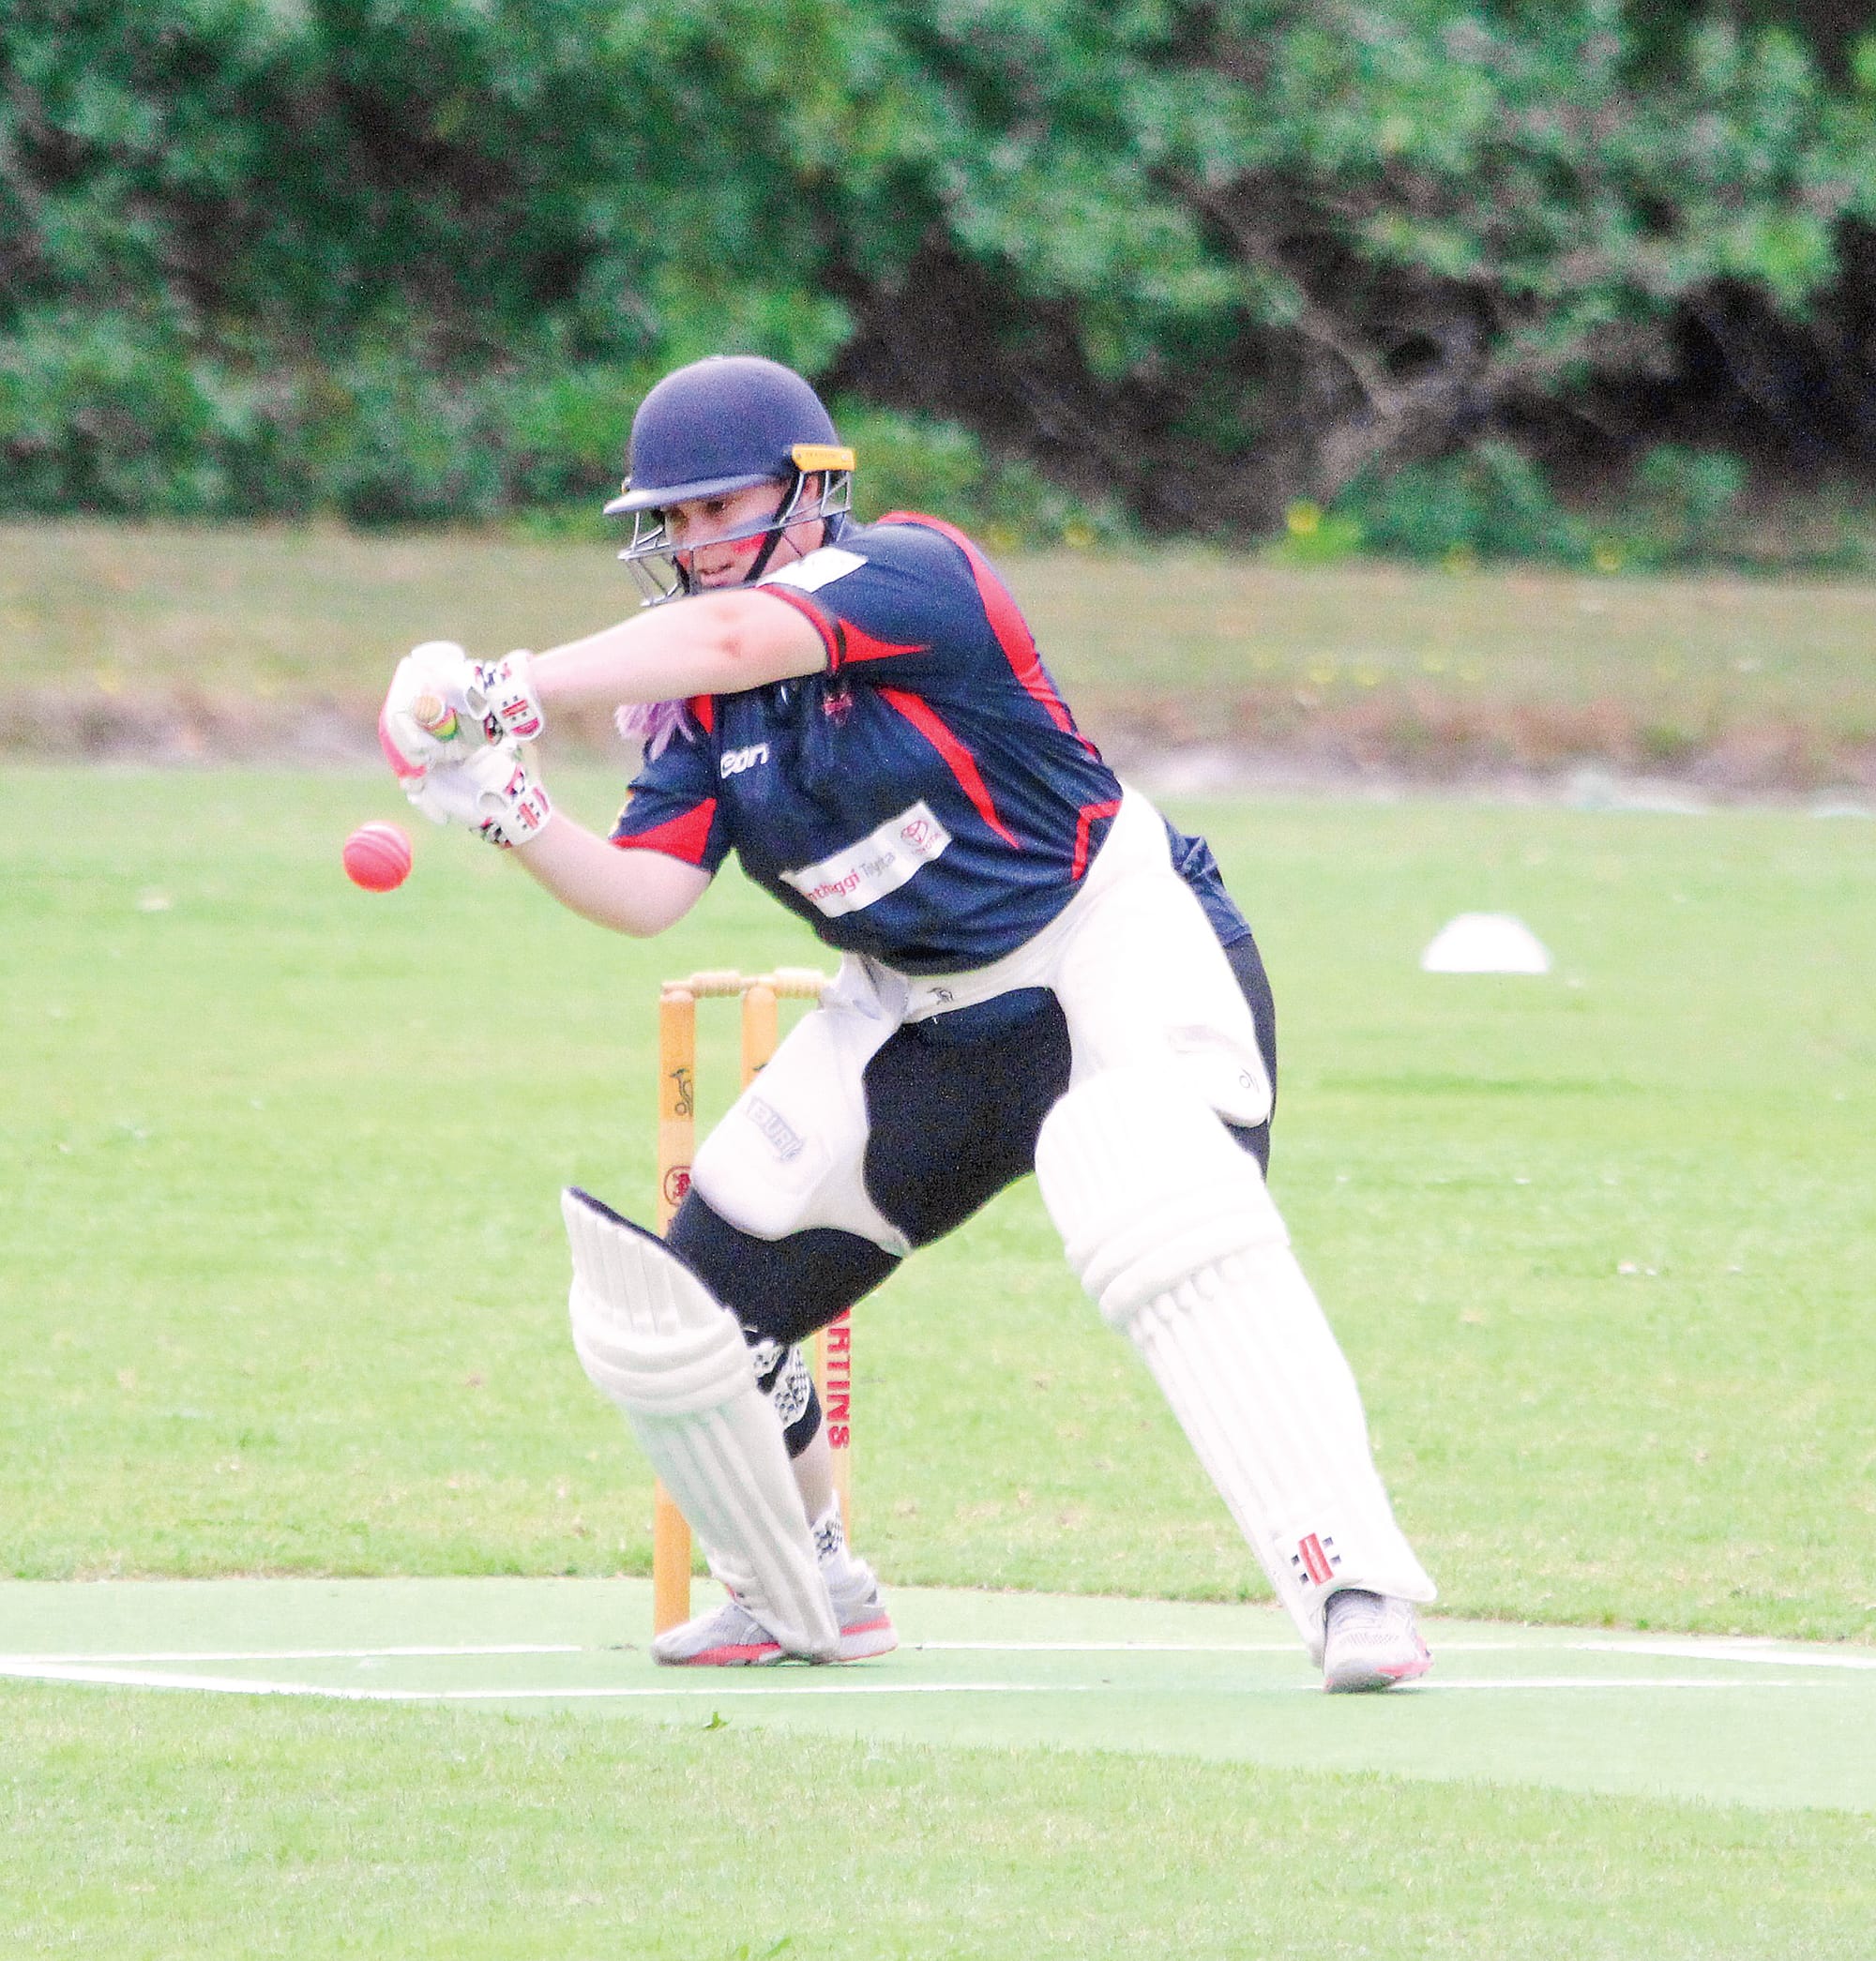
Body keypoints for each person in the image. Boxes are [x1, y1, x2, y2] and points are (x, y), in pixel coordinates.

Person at [377, 354, 1436, 1691]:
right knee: (686, 1313)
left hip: (1115, 948)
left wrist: (503, 687)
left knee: (1152, 1185)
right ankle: (799, 1578)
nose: (697, 544)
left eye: (722, 509)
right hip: (920, 1012)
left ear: (813, 491)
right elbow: (648, 895)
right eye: (675, 520)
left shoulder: (920, 574)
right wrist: (510, 813)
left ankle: (1354, 1586)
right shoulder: (707, 708)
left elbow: (725, 636)